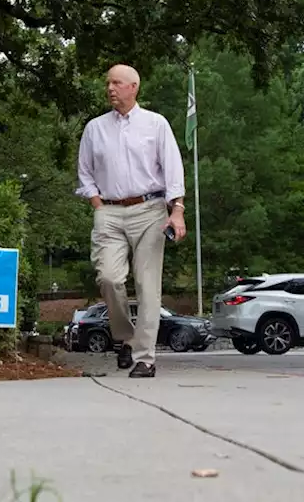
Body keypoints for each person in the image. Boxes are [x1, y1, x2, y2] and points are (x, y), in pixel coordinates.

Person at [75, 64, 186, 378]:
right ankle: (125, 337)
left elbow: (173, 170)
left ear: (134, 87)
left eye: (117, 83)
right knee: (109, 278)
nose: (110, 88)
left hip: (150, 210)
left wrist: (176, 210)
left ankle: (145, 358)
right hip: (108, 212)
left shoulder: (155, 124)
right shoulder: (94, 128)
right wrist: (97, 204)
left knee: (148, 285)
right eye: (108, 83)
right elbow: (84, 173)